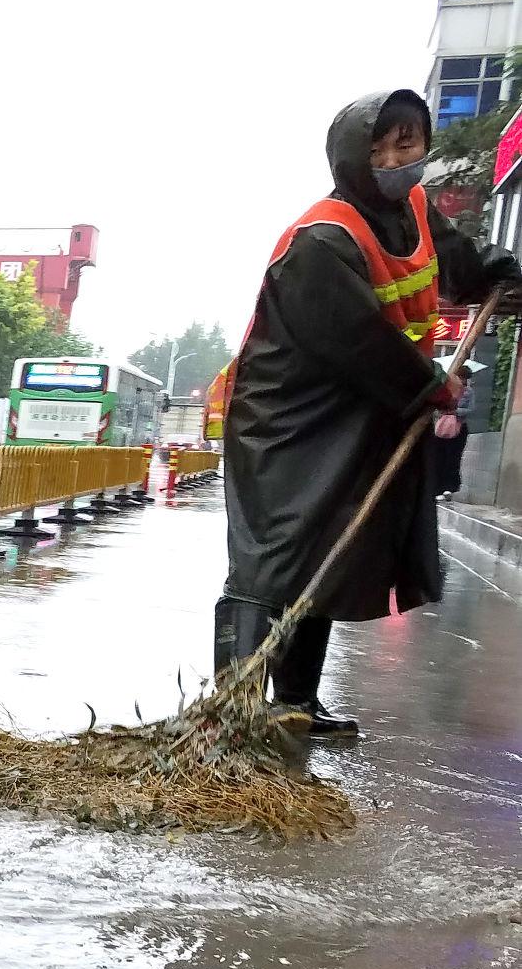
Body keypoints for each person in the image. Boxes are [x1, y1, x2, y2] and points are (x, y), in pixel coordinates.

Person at [217, 88, 517, 739]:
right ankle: (232, 713)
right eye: (378, 144)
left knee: (330, 543)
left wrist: (503, 274)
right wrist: (430, 387)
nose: (393, 156)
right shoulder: (320, 240)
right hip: (283, 420)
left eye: (406, 140)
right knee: (273, 556)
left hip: (353, 408)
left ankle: (294, 703)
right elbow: (361, 343)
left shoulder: (411, 206)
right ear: (351, 156)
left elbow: (456, 262)